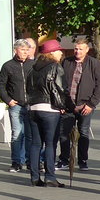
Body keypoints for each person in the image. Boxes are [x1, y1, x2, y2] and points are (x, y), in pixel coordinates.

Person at [56, 37, 100, 170]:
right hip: (68, 105)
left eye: (80, 49)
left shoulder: (94, 63)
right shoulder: (67, 62)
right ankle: (64, 159)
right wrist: (61, 104)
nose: (77, 51)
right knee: (64, 133)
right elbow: (59, 83)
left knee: (83, 133)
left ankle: (83, 160)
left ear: (87, 50)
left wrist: (91, 104)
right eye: (76, 49)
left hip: (85, 104)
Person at [25, 39, 69, 187]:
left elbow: (28, 89)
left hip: (33, 108)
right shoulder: (55, 67)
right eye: (58, 50)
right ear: (51, 53)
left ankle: (34, 177)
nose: (60, 53)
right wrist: (64, 105)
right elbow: (60, 88)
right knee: (50, 144)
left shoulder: (32, 68)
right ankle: (50, 176)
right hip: (50, 110)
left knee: (36, 144)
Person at [0, 38, 35, 172]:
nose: (25, 52)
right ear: (15, 50)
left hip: (31, 105)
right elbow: (1, 84)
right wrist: (8, 100)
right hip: (16, 105)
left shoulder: (33, 64)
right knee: (16, 134)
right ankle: (16, 162)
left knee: (31, 135)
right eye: (22, 50)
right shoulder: (8, 66)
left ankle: (32, 161)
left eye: (27, 50)